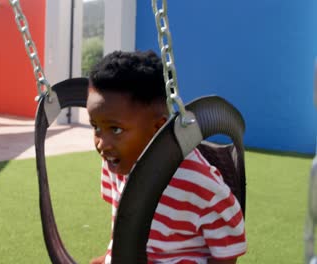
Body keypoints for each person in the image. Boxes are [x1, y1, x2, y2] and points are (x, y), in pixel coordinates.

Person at [86, 50, 246, 264]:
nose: (101, 144)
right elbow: (125, 222)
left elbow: (227, 246)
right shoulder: (115, 161)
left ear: (158, 128)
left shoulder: (199, 183)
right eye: (96, 127)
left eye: (115, 130)